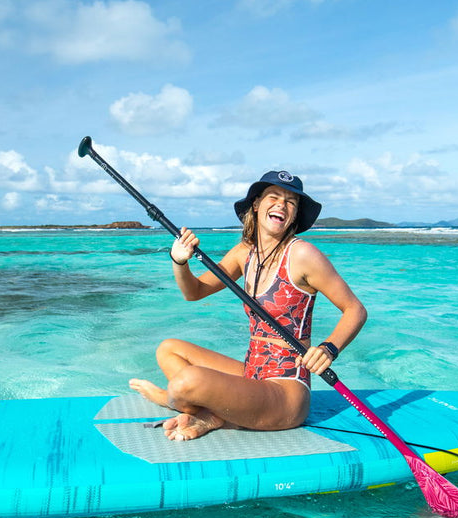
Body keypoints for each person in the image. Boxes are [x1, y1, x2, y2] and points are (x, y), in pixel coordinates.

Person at [129, 170, 367, 441]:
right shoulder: (245, 253)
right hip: (251, 373)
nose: (281, 205)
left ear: (295, 215)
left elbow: (355, 310)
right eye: (274, 197)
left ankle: (173, 400)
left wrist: (329, 348)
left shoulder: (302, 254)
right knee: (169, 349)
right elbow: (194, 292)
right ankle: (214, 414)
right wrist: (179, 261)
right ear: (256, 204)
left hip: (286, 391)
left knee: (187, 382)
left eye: (291, 202)